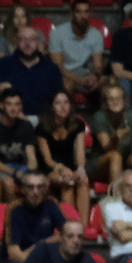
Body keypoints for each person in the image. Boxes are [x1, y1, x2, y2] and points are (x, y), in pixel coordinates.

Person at [36, 92, 89, 225]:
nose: (63, 107)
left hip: (71, 167)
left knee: (83, 181)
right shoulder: (42, 127)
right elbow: (47, 160)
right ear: (51, 107)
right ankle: (70, 225)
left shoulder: (78, 124)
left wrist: (81, 169)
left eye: (66, 102)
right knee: (67, 183)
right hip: (51, 169)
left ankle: (83, 226)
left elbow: (80, 153)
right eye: (58, 103)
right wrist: (61, 168)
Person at [0, 27, 62, 120]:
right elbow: (5, 95)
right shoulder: (3, 64)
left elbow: (58, 98)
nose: (27, 43)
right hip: (13, 119)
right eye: (23, 39)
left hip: (45, 120)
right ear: (16, 42)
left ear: (38, 42)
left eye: (32, 39)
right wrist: (24, 121)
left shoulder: (52, 68)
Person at [1, 169, 65, 263]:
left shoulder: (51, 204)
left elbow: (66, 234)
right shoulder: (14, 209)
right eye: (31, 187)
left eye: (40, 187)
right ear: (23, 189)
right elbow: (14, 253)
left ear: (46, 188)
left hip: (44, 257)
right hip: (16, 261)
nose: (36, 192)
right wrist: (42, 244)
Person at [89, 83, 132, 188]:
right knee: (115, 155)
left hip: (125, 161)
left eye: (118, 98)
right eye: (111, 99)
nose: (115, 102)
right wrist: (116, 137)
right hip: (99, 163)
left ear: (125, 101)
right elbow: (107, 147)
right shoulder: (100, 117)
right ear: (105, 103)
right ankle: (117, 194)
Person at [48, 0, 105, 106]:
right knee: (67, 83)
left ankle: (99, 115)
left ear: (90, 14)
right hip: (63, 73)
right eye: (79, 12)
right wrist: (80, 80)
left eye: (86, 12)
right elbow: (58, 67)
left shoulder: (96, 35)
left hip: (84, 73)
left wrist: (95, 76)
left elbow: (98, 65)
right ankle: (68, 115)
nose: (83, 16)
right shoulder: (57, 33)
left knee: (106, 84)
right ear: (72, 13)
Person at [0, 89, 37, 203]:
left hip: (22, 168)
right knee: (9, 183)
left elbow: (32, 159)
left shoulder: (26, 126)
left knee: (38, 183)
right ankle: (13, 212)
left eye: (17, 104)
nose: (13, 108)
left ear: (21, 107)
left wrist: (28, 173)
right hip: (2, 168)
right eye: (9, 104)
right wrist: (14, 173)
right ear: (2, 105)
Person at [20, 218, 97, 263]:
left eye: (80, 237)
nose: (76, 241)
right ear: (61, 237)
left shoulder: (87, 260)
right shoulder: (44, 250)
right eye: (70, 236)